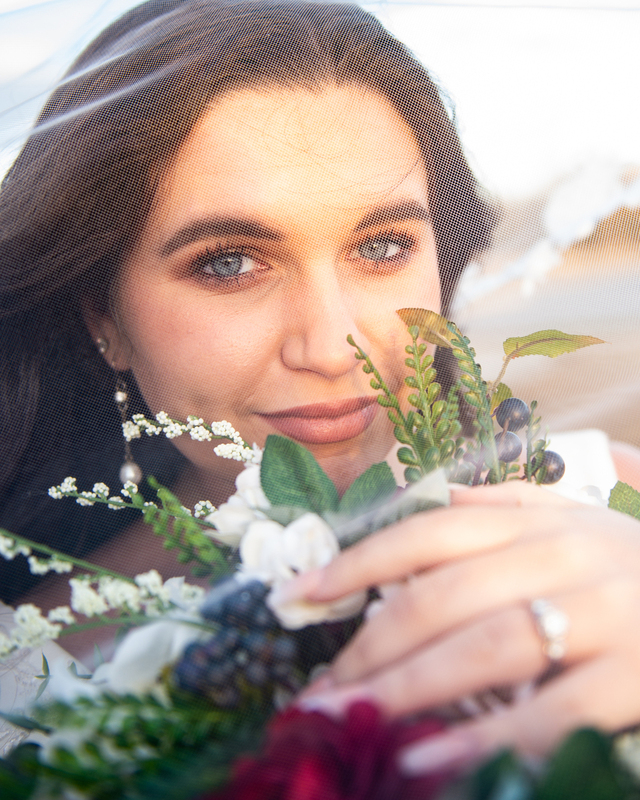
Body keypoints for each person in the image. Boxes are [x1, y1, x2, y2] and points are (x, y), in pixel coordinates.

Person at [1, 0, 640, 775]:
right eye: (229, 261)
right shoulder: (22, 663)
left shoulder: (608, 502)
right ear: (106, 314)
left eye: (382, 245)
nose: (334, 347)